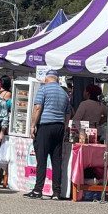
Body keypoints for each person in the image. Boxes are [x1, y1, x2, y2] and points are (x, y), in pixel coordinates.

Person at [25, 69, 72, 200]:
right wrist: (65, 127)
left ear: (46, 79)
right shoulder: (64, 93)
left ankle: (37, 190)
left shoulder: (43, 90)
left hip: (45, 126)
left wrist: (33, 125)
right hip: (59, 126)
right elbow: (68, 113)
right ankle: (56, 191)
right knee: (56, 160)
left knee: (41, 159)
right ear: (57, 80)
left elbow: (37, 107)